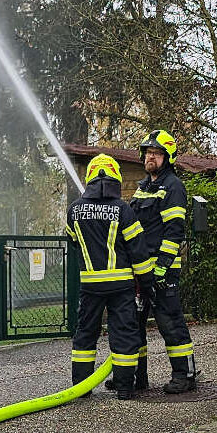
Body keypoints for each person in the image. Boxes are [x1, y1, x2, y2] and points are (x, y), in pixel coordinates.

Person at [66, 154, 154, 399]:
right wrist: (147, 284)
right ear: (115, 176)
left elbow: (74, 243)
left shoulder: (74, 210)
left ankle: (81, 389)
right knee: (124, 335)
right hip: (121, 286)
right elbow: (138, 251)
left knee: (85, 335)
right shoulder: (122, 210)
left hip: (90, 286)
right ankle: (125, 388)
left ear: (90, 176)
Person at [125, 129, 198, 394]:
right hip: (140, 270)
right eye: (148, 153)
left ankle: (185, 375)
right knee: (134, 324)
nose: (150, 157)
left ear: (168, 158)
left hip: (162, 271)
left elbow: (174, 233)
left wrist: (160, 269)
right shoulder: (144, 186)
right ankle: (136, 377)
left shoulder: (173, 187)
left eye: (156, 153)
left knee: (171, 323)